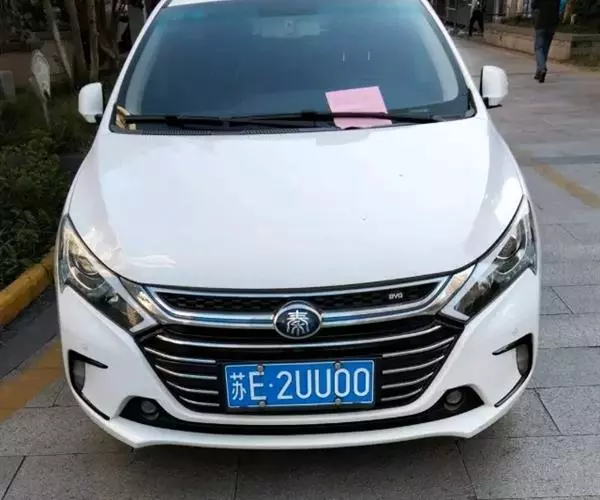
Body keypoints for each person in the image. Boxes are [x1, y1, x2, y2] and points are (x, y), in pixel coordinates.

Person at [531, 0, 561, 82]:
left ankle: (542, 68)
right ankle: (539, 72)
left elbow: (533, 5)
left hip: (541, 23)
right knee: (545, 48)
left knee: (538, 48)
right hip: (552, 24)